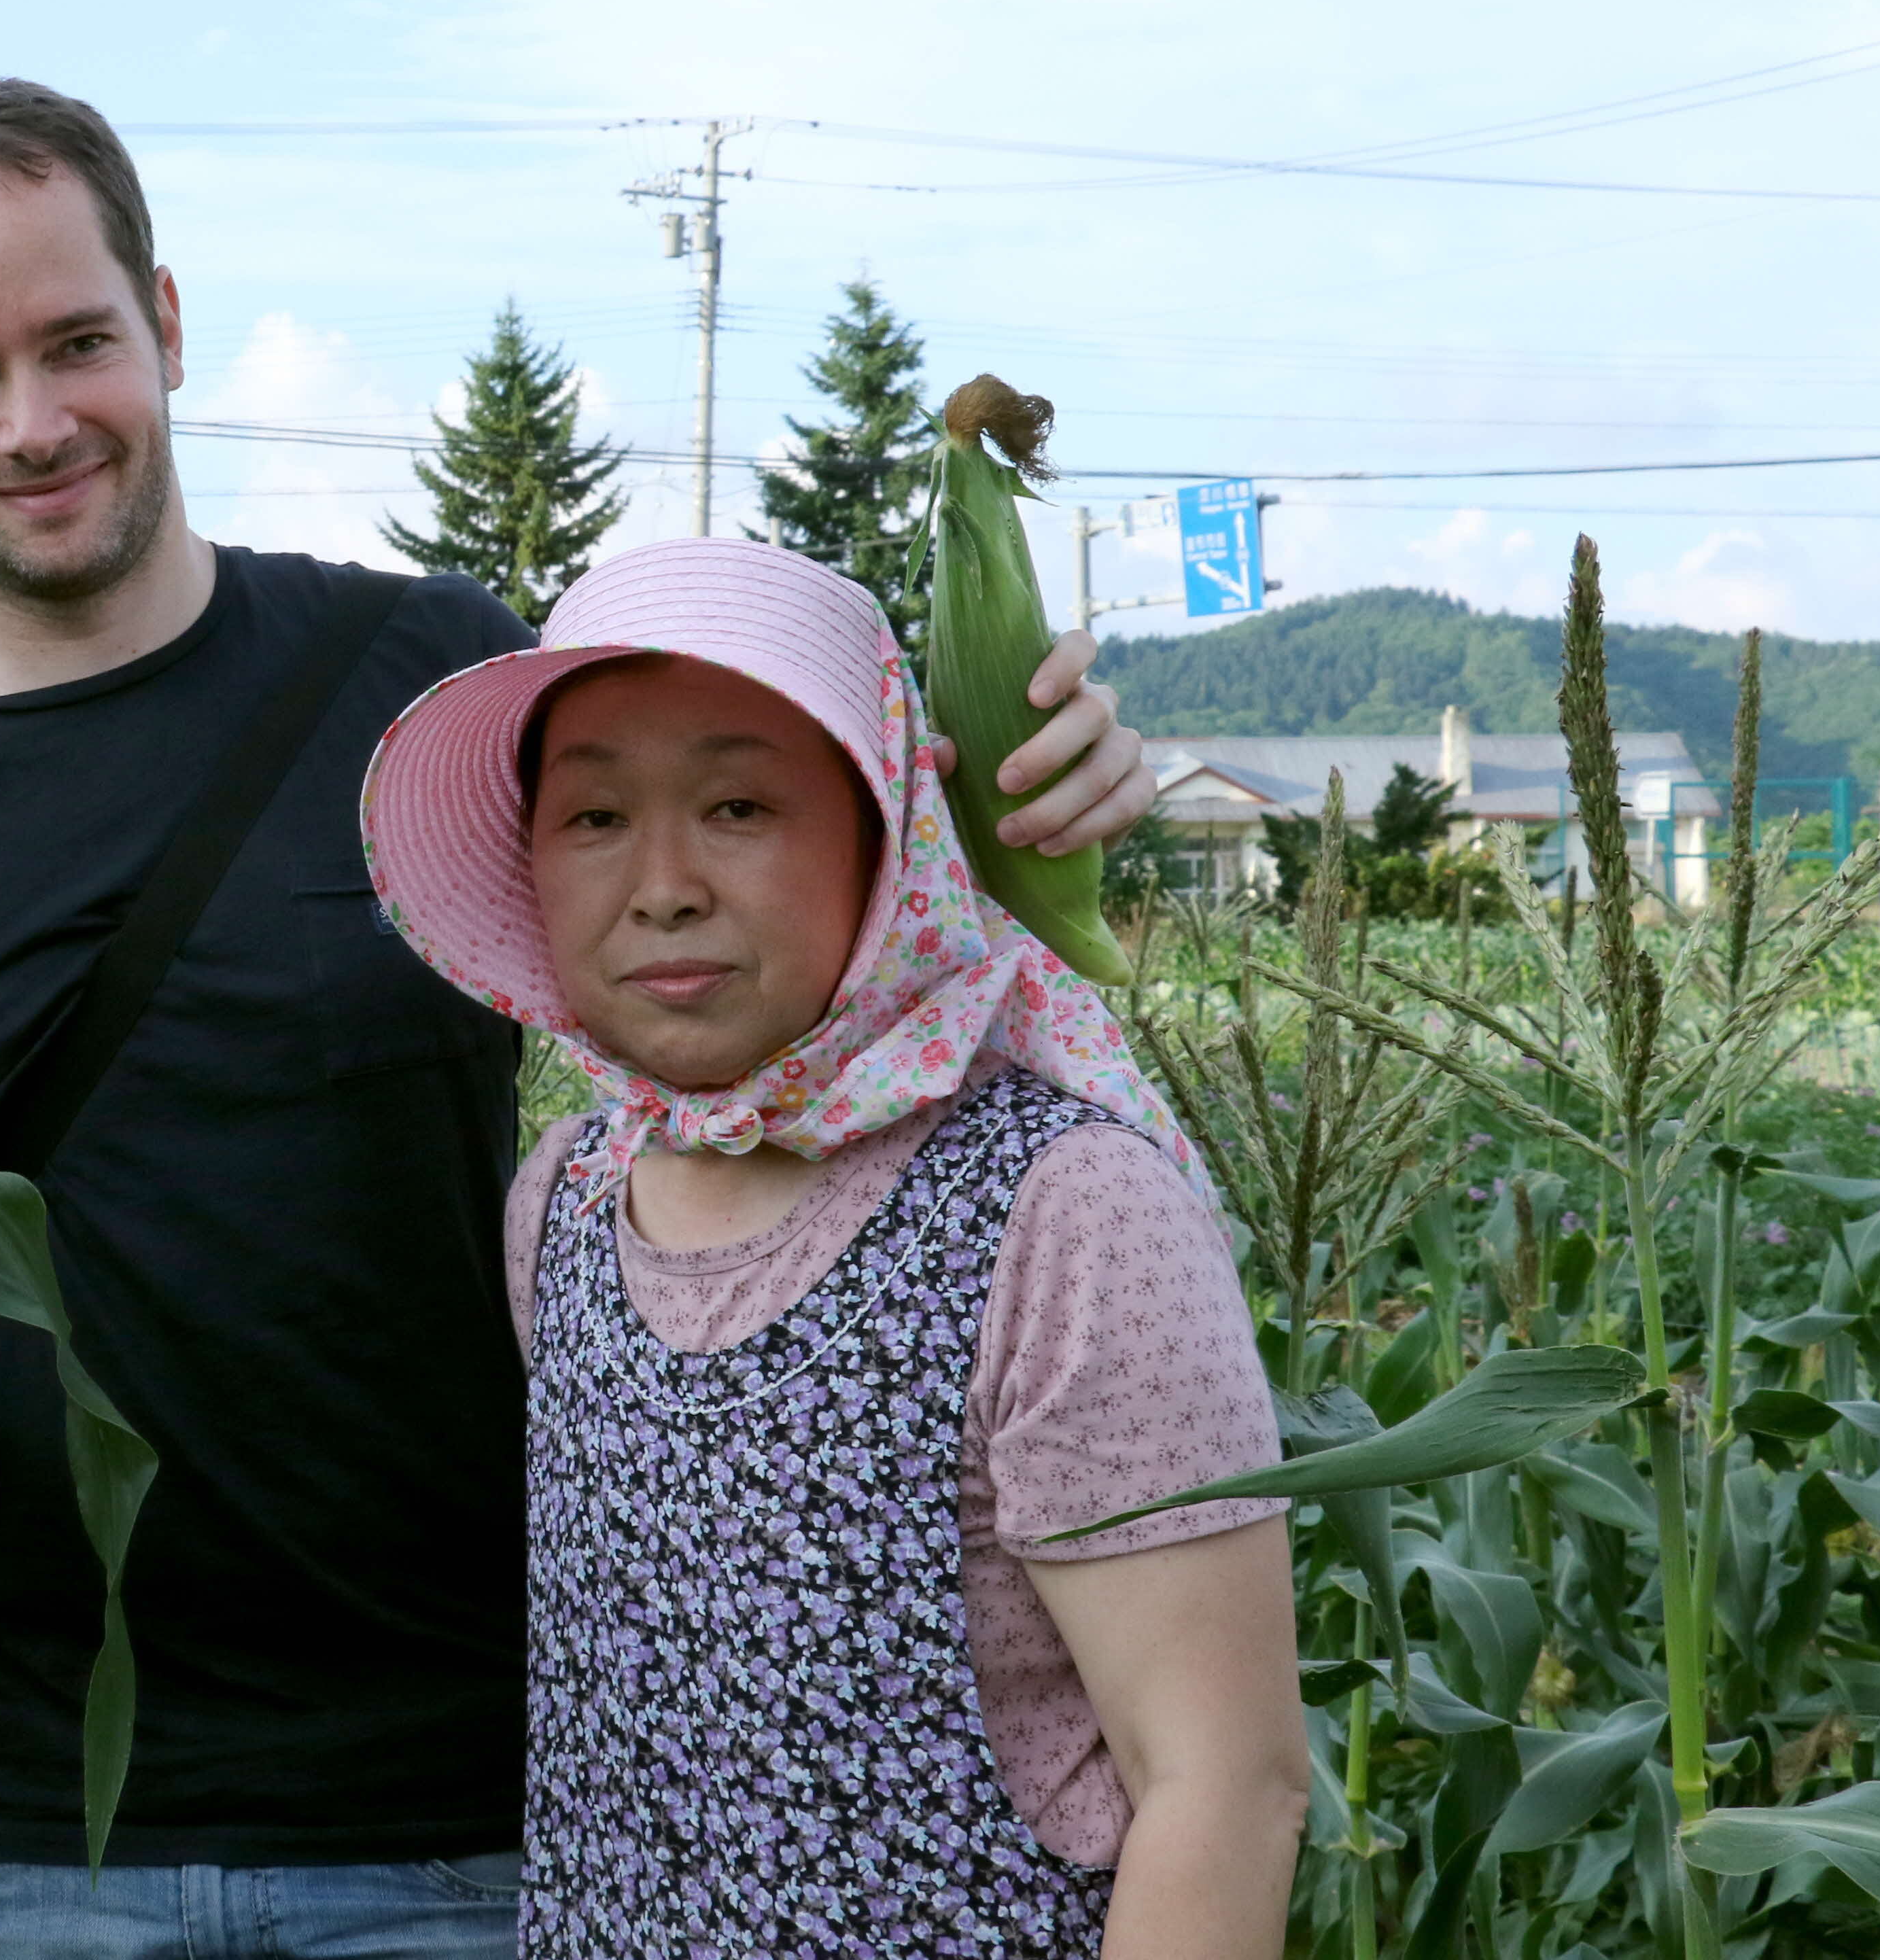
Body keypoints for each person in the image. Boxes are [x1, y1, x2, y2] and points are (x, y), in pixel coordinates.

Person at [0, 78, 1164, 1956]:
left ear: (166, 317)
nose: (37, 421)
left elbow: (793, 929)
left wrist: (1014, 807)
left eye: (78, 342)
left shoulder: (434, 671)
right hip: (15, 1825)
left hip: (464, 1809)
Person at [358, 534, 1309, 1957]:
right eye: (594, 817)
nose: (664, 884)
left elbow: (1224, 1786)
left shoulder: (1062, 1214)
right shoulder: (565, 1199)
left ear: (889, 841)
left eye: (740, 805)